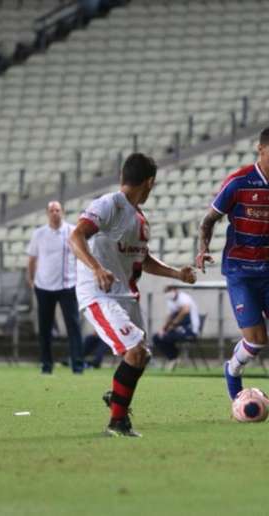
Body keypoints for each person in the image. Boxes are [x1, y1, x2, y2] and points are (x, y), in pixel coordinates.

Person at [69, 152, 196, 437]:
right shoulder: (109, 204)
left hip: (126, 295)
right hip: (100, 293)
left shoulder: (139, 218)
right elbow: (75, 236)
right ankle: (117, 422)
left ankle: (117, 398)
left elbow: (143, 259)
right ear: (150, 182)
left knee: (141, 355)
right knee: (135, 351)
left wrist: (178, 274)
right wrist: (97, 268)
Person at [196, 126, 269, 423]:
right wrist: (202, 249)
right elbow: (208, 221)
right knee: (257, 341)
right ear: (260, 151)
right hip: (240, 270)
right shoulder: (238, 183)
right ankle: (232, 368)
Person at [27, 201, 83, 374]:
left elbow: (82, 255)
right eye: (51, 210)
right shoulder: (39, 234)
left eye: (57, 210)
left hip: (68, 285)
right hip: (43, 286)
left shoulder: (72, 231)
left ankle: (77, 365)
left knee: (73, 326)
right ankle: (46, 365)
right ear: (47, 213)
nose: (55, 213)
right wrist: (31, 280)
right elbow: (31, 259)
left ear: (63, 212)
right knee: (45, 328)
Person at [151, 285, 201, 369]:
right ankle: (173, 358)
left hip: (190, 329)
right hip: (177, 329)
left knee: (167, 337)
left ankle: (175, 356)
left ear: (175, 290)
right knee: (157, 337)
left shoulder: (184, 298)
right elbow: (169, 316)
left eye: (170, 291)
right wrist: (163, 329)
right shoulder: (170, 301)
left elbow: (185, 310)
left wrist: (173, 324)